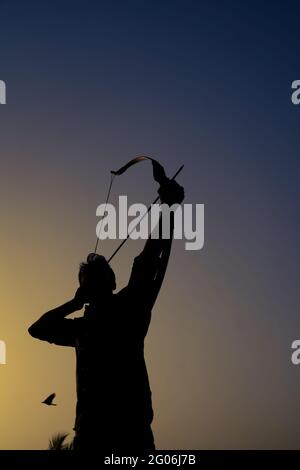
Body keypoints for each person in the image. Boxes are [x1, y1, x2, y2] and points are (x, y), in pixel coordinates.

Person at [28, 161, 184, 451]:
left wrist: (168, 205)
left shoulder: (130, 306)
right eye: (87, 279)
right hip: (89, 435)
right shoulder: (81, 329)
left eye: (99, 277)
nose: (93, 282)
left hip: (130, 434)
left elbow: (147, 260)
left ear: (112, 283)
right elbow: (37, 329)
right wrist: (74, 302)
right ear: (83, 289)